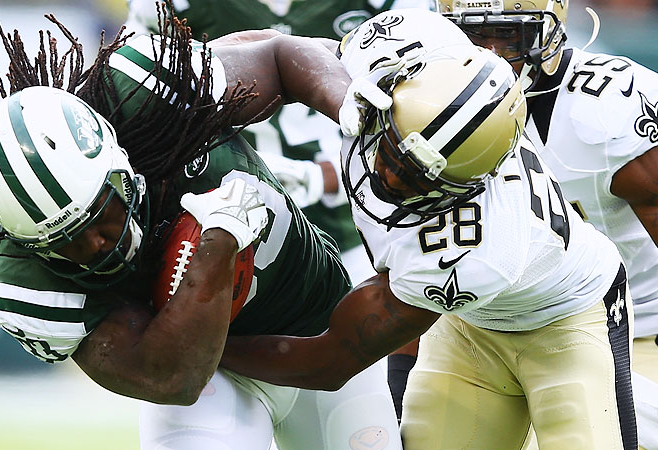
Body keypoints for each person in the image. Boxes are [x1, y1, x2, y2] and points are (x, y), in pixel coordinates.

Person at [0, 6, 402, 450]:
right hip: (215, 380)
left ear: (119, 160)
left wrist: (350, 108)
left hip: (316, 313)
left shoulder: (145, 92)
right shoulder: (29, 287)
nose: (98, 244)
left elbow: (277, 56)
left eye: (99, 212)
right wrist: (217, 246)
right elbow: (172, 378)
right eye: (66, 241)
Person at [219, 9, 639, 450]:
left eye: (421, 180)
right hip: (468, 326)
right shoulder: (405, 52)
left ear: (472, 185)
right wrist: (192, 76)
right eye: (394, 153)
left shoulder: (474, 254)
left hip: (568, 319)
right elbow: (283, 53)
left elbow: (330, 361)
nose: (392, 181)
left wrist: (208, 348)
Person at [124, 0, 437, 414]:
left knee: (381, 406)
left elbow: (422, 114)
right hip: (216, 241)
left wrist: (326, 175)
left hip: (354, 239)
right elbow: (144, 114)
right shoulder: (174, 7)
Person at [437, 2, 658, 448]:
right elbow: (415, 260)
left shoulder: (610, 105)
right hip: (483, 329)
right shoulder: (425, 102)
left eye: (510, 35)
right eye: (473, 37)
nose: (491, 56)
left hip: (634, 328)